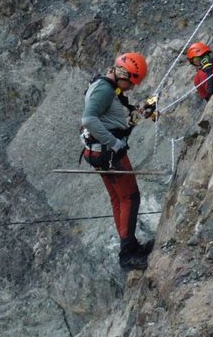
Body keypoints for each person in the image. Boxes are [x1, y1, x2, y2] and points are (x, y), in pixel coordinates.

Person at [80, 52, 154, 270]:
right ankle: (127, 254)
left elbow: (106, 115)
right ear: (123, 74)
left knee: (118, 199)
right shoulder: (104, 89)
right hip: (109, 153)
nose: (131, 87)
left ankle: (130, 245)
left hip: (98, 152)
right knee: (130, 197)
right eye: (130, 82)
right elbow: (89, 119)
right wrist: (114, 143)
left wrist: (136, 112)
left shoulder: (106, 85)